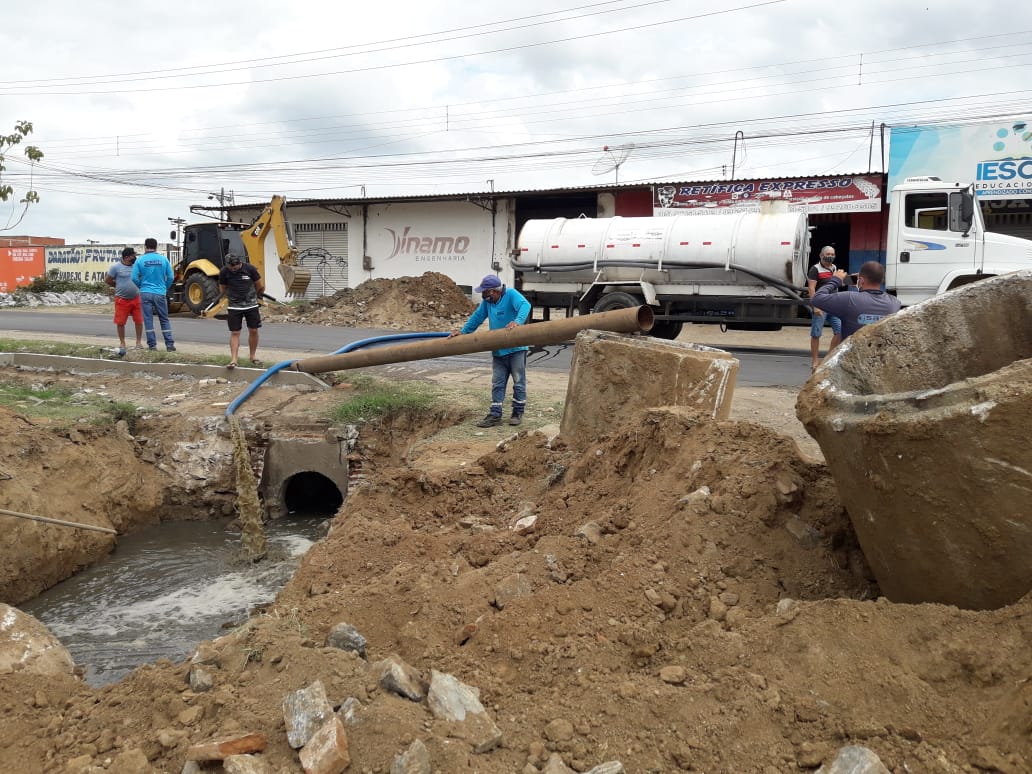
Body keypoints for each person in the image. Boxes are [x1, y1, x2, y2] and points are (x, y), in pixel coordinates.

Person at [449, 274, 531, 427]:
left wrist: (517, 322)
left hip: (516, 349)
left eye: (484, 292)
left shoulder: (511, 294)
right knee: (497, 383)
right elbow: (477, 317)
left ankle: (517, 413)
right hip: (499, 350)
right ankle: (495, 415)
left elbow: (525, 305)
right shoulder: (488, 303)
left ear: (493, 291)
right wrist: (463, 332)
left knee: (519, 381)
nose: (482, 295)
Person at [811, 261, 902, 341]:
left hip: (852, 358)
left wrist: (835, 281)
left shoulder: (848, 299)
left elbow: (817, 299)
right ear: (881, 280)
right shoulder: (894, 303)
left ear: (861, 280)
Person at [218, 254, 265, 369]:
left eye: (236, 266)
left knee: (253, 330)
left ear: (240, 263)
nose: (234, 269)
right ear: (228, 266)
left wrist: (255, 296)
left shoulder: (250, 269)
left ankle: (252, 356)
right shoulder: (224, 272)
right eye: (232, 267)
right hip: (234, 306)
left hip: (251, 305)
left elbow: (259, 285)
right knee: (235, 332)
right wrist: (230, 296)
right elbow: (223, 288)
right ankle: (234, 360)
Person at [130, 237, 176, 352]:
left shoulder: (140, 260)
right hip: (160, 293)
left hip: (145, 293)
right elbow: (170, 277)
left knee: (148, 319)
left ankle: (152, 345)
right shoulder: (163, 260)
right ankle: (169, 345)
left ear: (145, 247)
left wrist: (142, 286)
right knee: (164, 319)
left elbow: (134, 277)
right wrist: (164, 287)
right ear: (156, 247)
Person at [808, 245, 842, 371]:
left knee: (839, 331)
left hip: (833, 305)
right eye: (828, 254)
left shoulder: (834, 268)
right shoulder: (815, 269)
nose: (830, 256)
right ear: (821, 255)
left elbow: (836, 286)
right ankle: (815, 360)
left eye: (832, 254)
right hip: (821, 306)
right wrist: (815, 305)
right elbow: (811, 288)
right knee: (816, 334)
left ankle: (827, 358)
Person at [104, 247, 143, 356]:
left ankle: (139, 342)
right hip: (122, 299)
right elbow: (107, 280)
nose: (135, 257)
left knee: (139, 321)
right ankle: (122, 342)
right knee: (120, 322)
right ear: (126, 257)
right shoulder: (116, 267)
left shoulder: (136, 266)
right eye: (133, 256)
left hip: (136, 298)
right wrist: (117, 285)